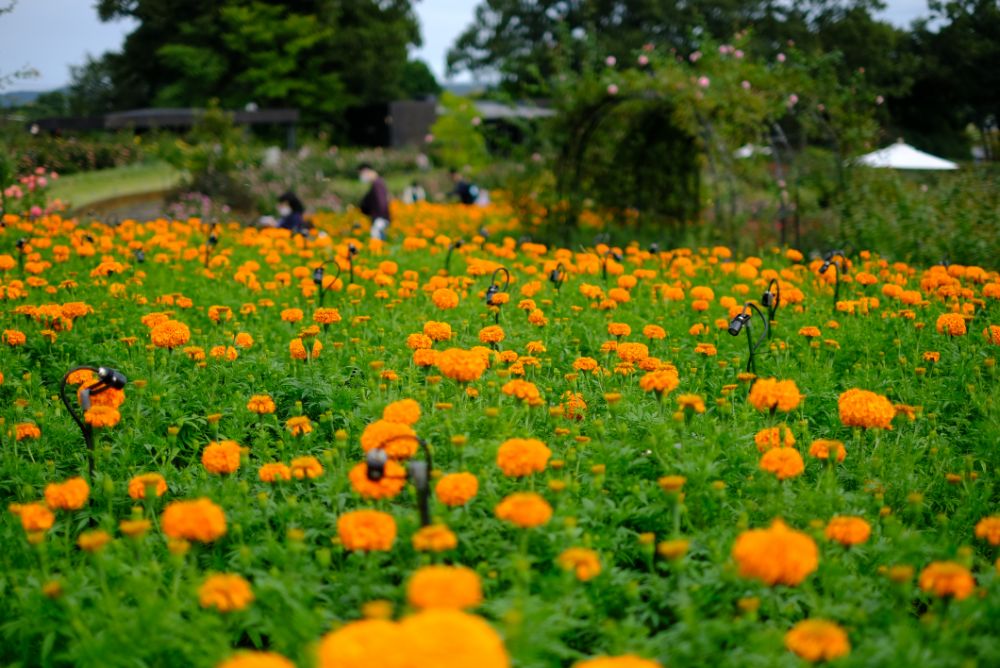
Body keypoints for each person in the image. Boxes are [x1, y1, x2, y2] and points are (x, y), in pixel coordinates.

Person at [358, 163, 390, 240]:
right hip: (380, 217)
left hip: (379, 218)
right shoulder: (377, 183)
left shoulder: (377, 184)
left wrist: (381, 217)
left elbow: (382, 202)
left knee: (376, 240)